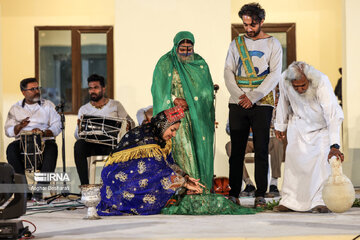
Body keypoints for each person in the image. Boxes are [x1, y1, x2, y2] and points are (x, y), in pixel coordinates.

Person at [224, 3, 282, 207]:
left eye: (252, 24)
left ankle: (260, 193)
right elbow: (228, 71)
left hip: (262, 103)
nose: (248, 29)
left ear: (261, 21)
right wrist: (240, 95)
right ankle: (234, 192)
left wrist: (254, 96)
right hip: (238, 101)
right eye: (245, 24)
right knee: (237, 149)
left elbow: (275, 74)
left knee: (261, 148)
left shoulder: (273, 44)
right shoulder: (236, 43)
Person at [97, 106, 204, 215]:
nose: (174, 134)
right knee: (159, 177)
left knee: (163, 180)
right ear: (163, 125)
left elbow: (169, 163)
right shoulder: (147, 137)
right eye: (172, 130)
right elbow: (158, 169)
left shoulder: (161, 140)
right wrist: (184, 183)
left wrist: (185, 176)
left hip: (134, 176)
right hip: (116, 180)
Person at [274, 61, 344, 213]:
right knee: (293, 163)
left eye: (303, 85)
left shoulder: (321, 81)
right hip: (298, 125)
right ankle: (290, 201)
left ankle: (321, 201)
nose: (299, 89)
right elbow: (282, 103)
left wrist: (334, 145)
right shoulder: (284, 79)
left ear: (309, 80)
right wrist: (280, 125)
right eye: (296, 86)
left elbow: (332, 115)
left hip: (322, 129)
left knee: (322, 166)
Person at [151, 31, 215, 189]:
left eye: (189, 48)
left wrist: (194, 102)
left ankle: (200, 187)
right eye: (182, 49)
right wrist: (174, 99)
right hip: (174, 116)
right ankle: (181, 189)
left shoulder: (199, 63)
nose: (186, 52)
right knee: (182, 151)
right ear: (175, 47)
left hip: (196, 116)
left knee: (198, 150)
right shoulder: (165, 62)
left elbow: (207, 91)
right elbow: (158, 90)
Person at [5, 78, 61, 199]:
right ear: (23, 92)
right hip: (23, 143)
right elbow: (8, 131)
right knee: (11, 149)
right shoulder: (16, 108)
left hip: (44, 141)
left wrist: (44, 133)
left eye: (37, 88)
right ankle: (24, 191)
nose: (37, 91)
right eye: (32, 89)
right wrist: (20, 126)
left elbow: (57, 125)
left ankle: (39, 190)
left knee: (52, 148)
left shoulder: (48, 105)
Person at [74, 74, 135, 185]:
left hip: (112, 146)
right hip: (92, 145)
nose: (92, 91)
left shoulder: (115, 105)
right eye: (90, 88)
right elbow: (77, 135)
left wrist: (128, 126)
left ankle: (119, 186)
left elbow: (131, 122)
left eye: (96, 87)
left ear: (103, 88)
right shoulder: (84, 109)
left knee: (125, 145)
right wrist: (79, 129)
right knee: (79, 145)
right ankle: (85, 186)